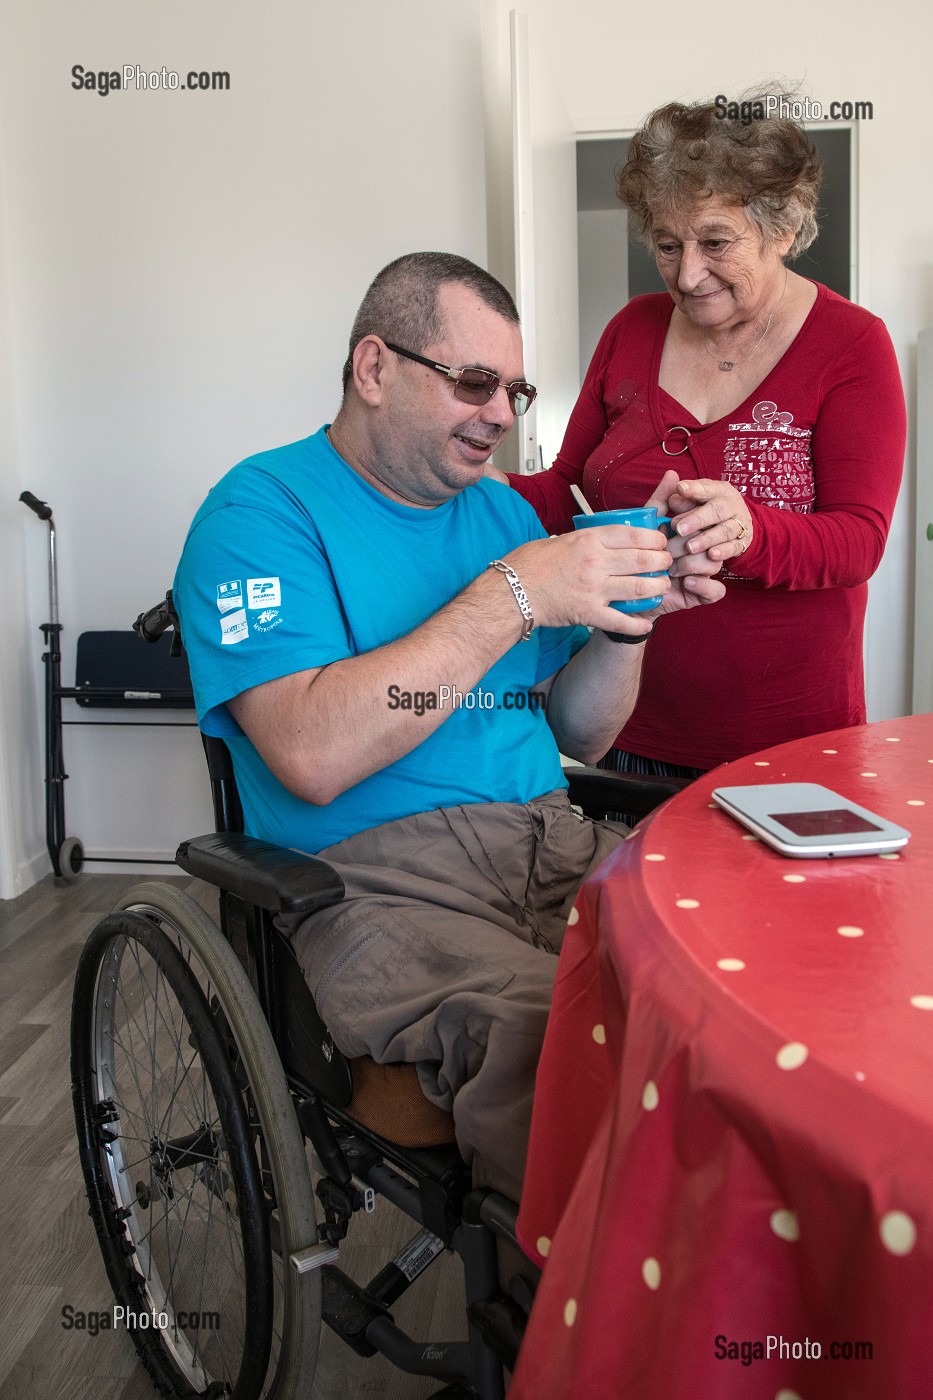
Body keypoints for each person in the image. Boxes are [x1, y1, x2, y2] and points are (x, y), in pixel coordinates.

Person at [173, 251, 725, 1202]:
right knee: (559, 1047)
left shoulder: (505, 515)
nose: (504, 415)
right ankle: (608, 1329)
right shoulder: (258, 512)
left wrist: (628, 623)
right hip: (378, 878)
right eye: (474, 382)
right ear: (375, 368)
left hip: (548, 839)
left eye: (513, 388)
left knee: (721, 988)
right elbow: (309, 754)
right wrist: (516, 595)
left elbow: (581, 737)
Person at [497, 96, 907, 779]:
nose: (686, 273)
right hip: (623, 720)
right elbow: (561, 492)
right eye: (666, 244)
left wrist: (749, 533)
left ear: (780, 229)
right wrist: (463, 481)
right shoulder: (632, 328)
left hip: (788, 738)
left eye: (714, 242)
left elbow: (857, 540)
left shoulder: (850, 344)